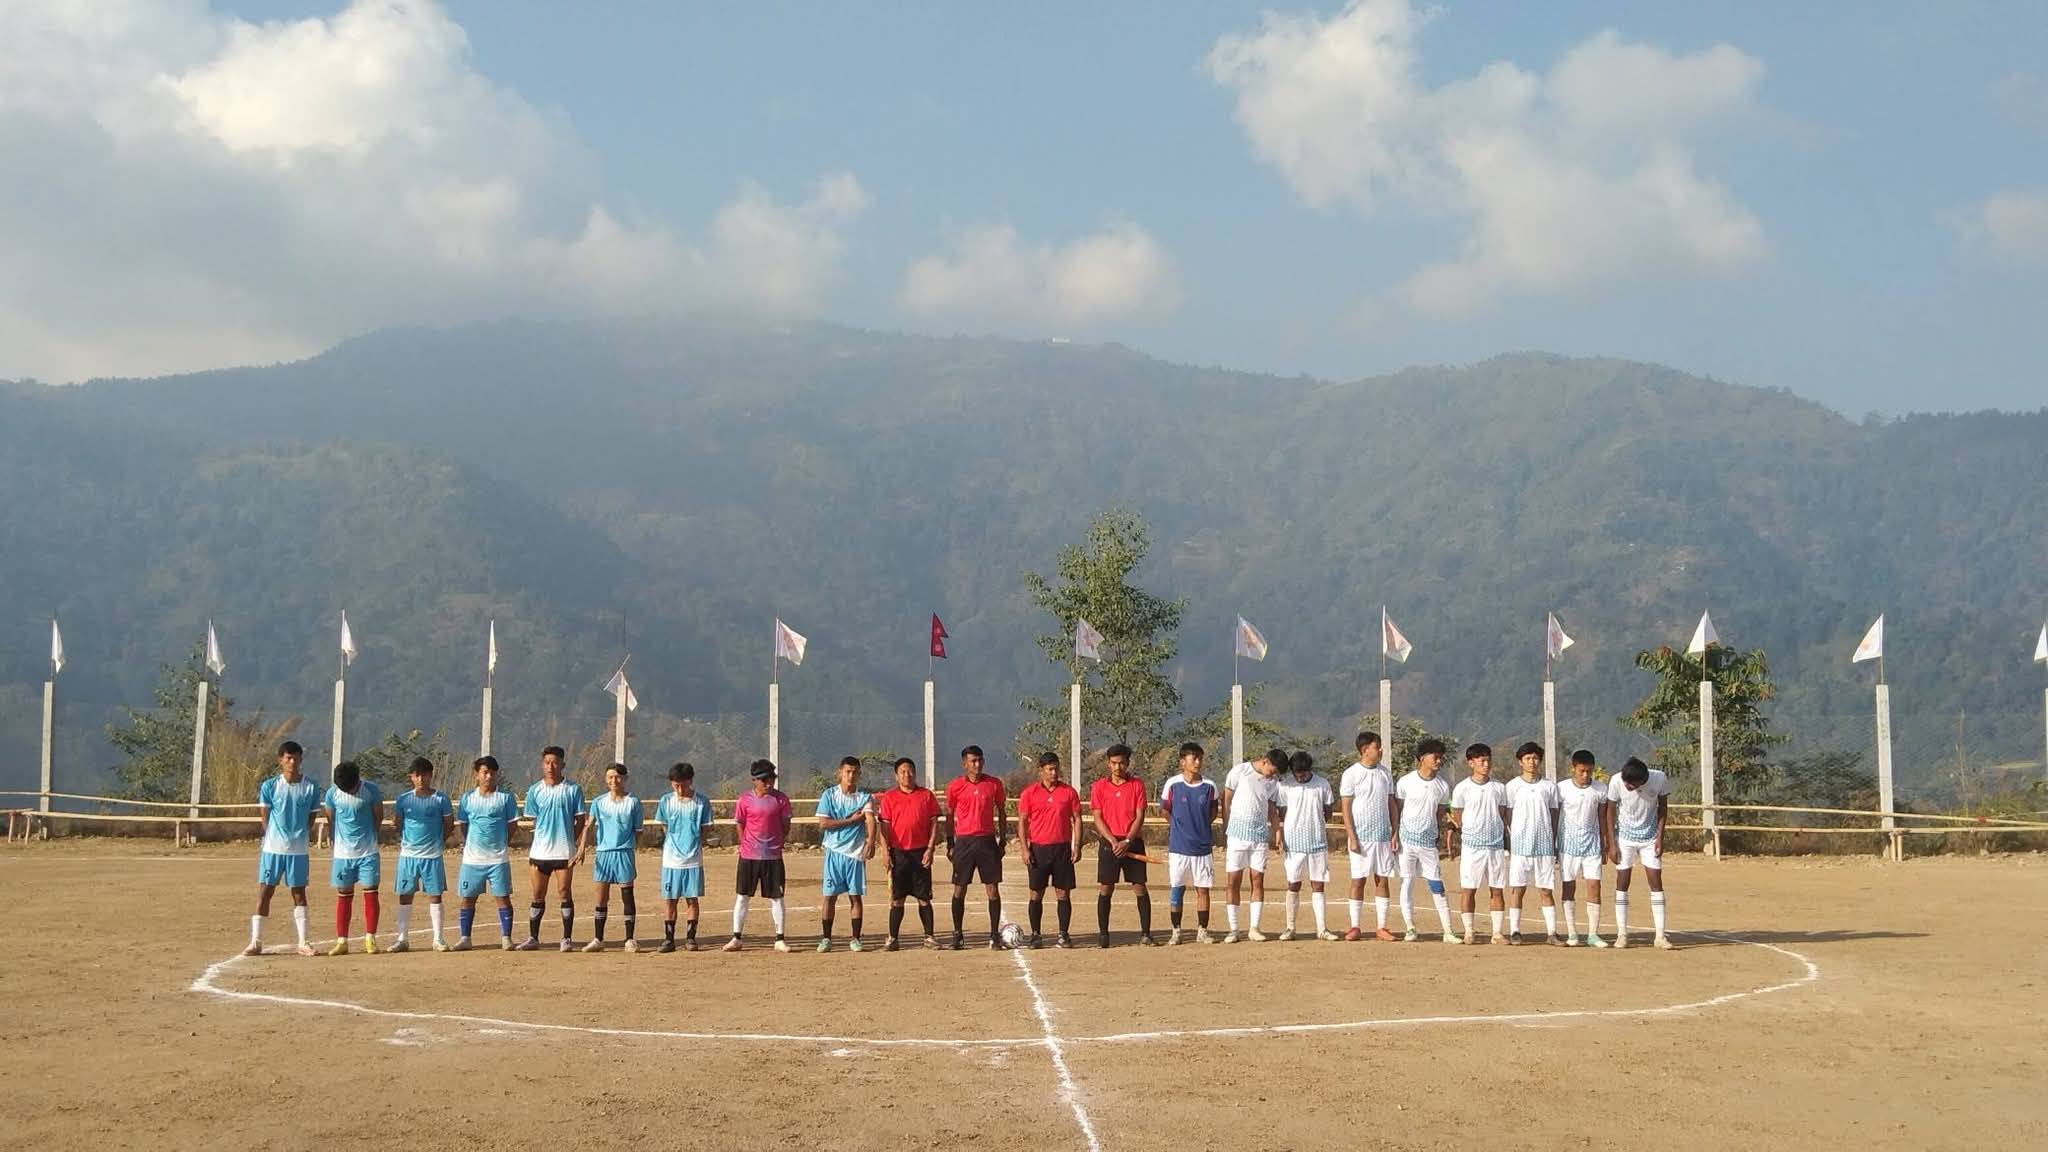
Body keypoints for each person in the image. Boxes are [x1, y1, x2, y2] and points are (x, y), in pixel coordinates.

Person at [245, 741, 319, 957]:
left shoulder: (311, 787)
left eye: (296, 758)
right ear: (280, 760)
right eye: (288, 758)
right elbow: (265, 818)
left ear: (301, 759)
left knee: (299, 894)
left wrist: (299, 836)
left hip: (298, 851)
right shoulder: (269, 786)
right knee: (265, 892)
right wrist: (274, 838)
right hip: (273, 850)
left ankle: (304, 942)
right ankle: (256, 941)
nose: (292, 762)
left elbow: (311, 818)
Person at [518, 746, 585, 952]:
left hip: (564, 852)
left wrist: (570, 840)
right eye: (547, 762)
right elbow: (533, 820)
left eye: (555, 762)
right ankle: (533, 937)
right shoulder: (535, 790)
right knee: (538, 894)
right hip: (540, 852)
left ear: (562, 764)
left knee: (564, 892)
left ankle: (566, 938)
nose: (550, 766)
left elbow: (580, 820)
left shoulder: (573, 789)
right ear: (542, 764)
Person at [1089, 743, 1155, 947]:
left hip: (1131, 842)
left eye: (1122, 763)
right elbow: (1097, 817)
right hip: (1109, 843)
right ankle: (1103, 935)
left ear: (1127, 763)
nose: (1118, 767)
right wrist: (1112, 841)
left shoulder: (1137, 785)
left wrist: (1127, 841)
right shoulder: (1099, 786)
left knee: (1139, 887)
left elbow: (1139, 816)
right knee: (1106, 888)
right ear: (1108, 764)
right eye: (1114, 763)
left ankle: (1146, 934)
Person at [942, 745, 1008, 950]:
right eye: (973, 761)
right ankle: (958, 935)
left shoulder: (994, 784)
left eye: (980, 760)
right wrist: (950, 842)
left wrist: (1002, 840)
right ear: (965, 764)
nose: (977, 764)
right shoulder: (955, 786)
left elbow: (1002, 811)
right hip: (964, 842)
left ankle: (994, 935)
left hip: (987, 841)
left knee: (992, 889)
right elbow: (950, 815)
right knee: (959, 888)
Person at [725, 759, 794, 953]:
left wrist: (776, 842)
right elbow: (740, 823)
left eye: (772, 779)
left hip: (773, 857)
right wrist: (744, 844)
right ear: (754, 780)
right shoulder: (744, 799)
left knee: (777, 897)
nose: (769, 783)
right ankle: (737, 937)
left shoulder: (781, 799)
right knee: (742, 897)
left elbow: (786, 825)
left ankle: (779, 939)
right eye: (764, 780)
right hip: (749, 857)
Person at [1606, 757, 1674, 949]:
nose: (1628, 786)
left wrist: (1660, 837)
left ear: (1643, 781)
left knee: (1656, 882)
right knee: (1622, 882)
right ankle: (1622, 934)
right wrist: (1612, 843)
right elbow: (1610, 812)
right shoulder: (1616, 781)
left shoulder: (1659, 778)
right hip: (1625, 838)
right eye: (1626, 782)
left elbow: (1663, 808)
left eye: (1632, 784)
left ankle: (1660, 936)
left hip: (1649, 838)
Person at [1016, 752, 1082, 948]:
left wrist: (1076, 845)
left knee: (1063, 893)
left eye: (1056, 769)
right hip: (1038, 849)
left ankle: (1063, 934)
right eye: (1050, 769)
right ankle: (1036, 934)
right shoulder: (1030, 793)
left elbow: (1077, 819)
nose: (1054, 773)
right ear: (1041, 771)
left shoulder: (1069, 792)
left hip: (1062, 849)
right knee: (1036, 893)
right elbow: (1022, 821)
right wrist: (1025, 849)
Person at [1394, 739, 1457, 943]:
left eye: (1440, 757)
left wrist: (1437, 834)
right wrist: (1394, 835)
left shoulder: (1442, 786)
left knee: (1436, 883)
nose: (1438, 761)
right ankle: (1410, 928)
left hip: (1428, 843)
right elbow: (1397, 810)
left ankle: (1448, 931)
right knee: (1407, 882)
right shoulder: (1405, 782)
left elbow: (1440, 812)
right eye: (1435, 757)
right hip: (1406, 841)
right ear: (1422, 758)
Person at [1219, 748, 1284, 943]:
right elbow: (1226, 798)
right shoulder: (1239, 772)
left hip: (1259, 836)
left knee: (1257, 879)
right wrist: (1226, 825)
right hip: (1237, 834)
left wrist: (1277, 832)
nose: (1272, 775)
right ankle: (1234, 929)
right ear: (1265, 761)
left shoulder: (1273, 783)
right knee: (1233, 880)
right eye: (1272, 770)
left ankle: (1254, 927)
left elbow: (1272, 809)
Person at [454, 756, 518, 951]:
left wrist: (502, 843)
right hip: (472, 860)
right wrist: (471, 844)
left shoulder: (505, 798)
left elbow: (512, 825)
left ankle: (506, 938)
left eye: (492, 773)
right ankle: (465, 938)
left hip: (498, 859)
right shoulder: (467, 798)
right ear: (477, 775)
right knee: (468, 898)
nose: (489, 776)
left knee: (502, 897)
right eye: (485, 772)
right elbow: (464, 825)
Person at [575, 763, 641, 953]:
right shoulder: (599, 802)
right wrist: (581, 848)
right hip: (603, 854)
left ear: (625, 779)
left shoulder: (633, 802)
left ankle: (629, 939)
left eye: (618, 777)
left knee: (627, 896)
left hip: (624, 853)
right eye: (610, 777)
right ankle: (598, 939)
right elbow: (589, 826)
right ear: (606, 779)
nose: (614, 780)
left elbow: (638, 830)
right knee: (601, 898)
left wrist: (629, 847)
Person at [1339, 731, 1398, 941]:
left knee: (1382, 880)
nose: (1380, 750)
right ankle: (1355, 926)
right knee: (1358, 880)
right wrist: (1352, 836)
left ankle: (1382, 927)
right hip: (1361, 837)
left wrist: (1394, 831)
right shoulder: (1351, 774)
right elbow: (1346, 807)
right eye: (1376, 747)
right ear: (1365, 750)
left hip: (1382, 837)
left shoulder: (1385, 774)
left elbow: (1391, 804)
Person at [876, 757, 941, 951]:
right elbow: (884, 827)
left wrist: (930, 848)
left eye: (910, 770)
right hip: (898, 854)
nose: (907, 775)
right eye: (903, 771)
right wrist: (885, 851)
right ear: (896, 776)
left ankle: (929, 937)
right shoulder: (890, 797)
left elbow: (934, 824)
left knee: (924, 897)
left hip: (920, 853)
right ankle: (893, 939)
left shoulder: (926, 795)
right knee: (897, 898)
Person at [1158, 742, 1219, 945]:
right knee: (1177, 888)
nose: (1198, 762)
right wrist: (1178, 827)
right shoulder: (1172, 784)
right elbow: (1165, 810)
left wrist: (1200, 827)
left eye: (1200, 758)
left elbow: (1213, 811)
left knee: (1203, 889)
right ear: (1182, 762)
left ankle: (1202, 931)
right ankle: (1176, 931)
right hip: (1179, 848)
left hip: (1202, 848)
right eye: (1194, 758)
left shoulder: (1209, 786)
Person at [390, 756, 453, 952]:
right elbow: (398, 823)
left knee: (435, 896)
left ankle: (438, 939)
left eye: (425, 775)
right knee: (405, 896)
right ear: (411, 777)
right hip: (408, 856)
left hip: (432, 856)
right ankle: (402, 939)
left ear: (431, 775)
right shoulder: (403, 799)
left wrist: (438, 842)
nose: (421, 779)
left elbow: (448, 824)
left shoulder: (441, 799)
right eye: (417, 775)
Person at [1503, 742, 1563, 945]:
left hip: (1544, 847)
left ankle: (1552, 932)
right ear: (1520, 762)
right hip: (1520, 846)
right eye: (1527, 758)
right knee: (1518, 889)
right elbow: (1508, 814)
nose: (1532, 762)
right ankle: (1515, 931)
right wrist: (1514, 835)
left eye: (1535, 758)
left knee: (1546, 890)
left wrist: (1552, 839)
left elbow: (1554, 814)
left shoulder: (1549, 786)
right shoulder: (1512, 787)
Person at [1449, 743, 1510, 945]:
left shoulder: (1499, 788)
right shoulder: (1462, 788)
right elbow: (1457, 814)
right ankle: (1469, 931)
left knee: (1497, 889)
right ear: (1471, 763)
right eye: (1481, 760)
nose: (1486, 764)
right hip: (1472, 847)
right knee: (1469, 889)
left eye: (1488, 760)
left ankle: (1497, 933)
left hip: (1495, 846)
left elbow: (1502, 813)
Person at [322, 760, 384, 956]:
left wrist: (370, 839)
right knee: (344, 895)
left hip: (368, 853)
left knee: (371, 892)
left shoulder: (371, 790)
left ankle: (370, 938)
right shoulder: (332, 794)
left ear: (358, 780)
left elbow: (378, 817)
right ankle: (342, 941)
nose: (348, 791)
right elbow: (331, 819)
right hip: (343, 855)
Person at [816, 756, 877, 953]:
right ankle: (826, 938)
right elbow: (824, 824)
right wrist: (851, 821)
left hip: (855, 854)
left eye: (855, 772)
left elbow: (870, 819)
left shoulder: (864, 797)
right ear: (840, 772)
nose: (851, 775)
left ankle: (856, 939)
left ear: (859, 774)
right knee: (829, 897)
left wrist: (871, 841)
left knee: (855, 897)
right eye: (847, 771)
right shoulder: (829, 795)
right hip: (833, 853)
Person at [1275, 751, 1338, 941]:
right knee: (1293, 883)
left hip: (1317, 841)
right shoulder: (1285, 785)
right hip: (1293, 843)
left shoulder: (1322, 784)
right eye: (1297, 773)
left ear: (1310, 769)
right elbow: (1282, 812)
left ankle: (1322, 929)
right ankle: (1290, 927)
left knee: (1318, 884)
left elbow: (1328, 810)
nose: (1300, 776)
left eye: (1303, 773)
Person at [655, 762, 714, 953]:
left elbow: (705, 829)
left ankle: (690, 938)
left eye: (683, 785)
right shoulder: (665, 801)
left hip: (693, 860)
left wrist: (694, 844)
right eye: (676, 785)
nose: (680, 789)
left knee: (692, 899)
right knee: (670, 900)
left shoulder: (702, 802)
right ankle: (669, 939)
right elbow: (665, 826)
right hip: (671, 861)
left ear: (690, 781)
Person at [1557, 750, 1610, 947]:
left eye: (1589, 771)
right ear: (1573, 768)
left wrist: (1605, 842)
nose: (1585, 775)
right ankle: (1572, 933)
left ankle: (1593, 934)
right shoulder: (1561, 788)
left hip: (1592, 846)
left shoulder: (1600, 789)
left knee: (1594, 886)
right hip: (1568, 846)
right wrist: (1554, 843)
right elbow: (1556, 815)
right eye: (1582, 771)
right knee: (1568, 887)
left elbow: (1602, 817)